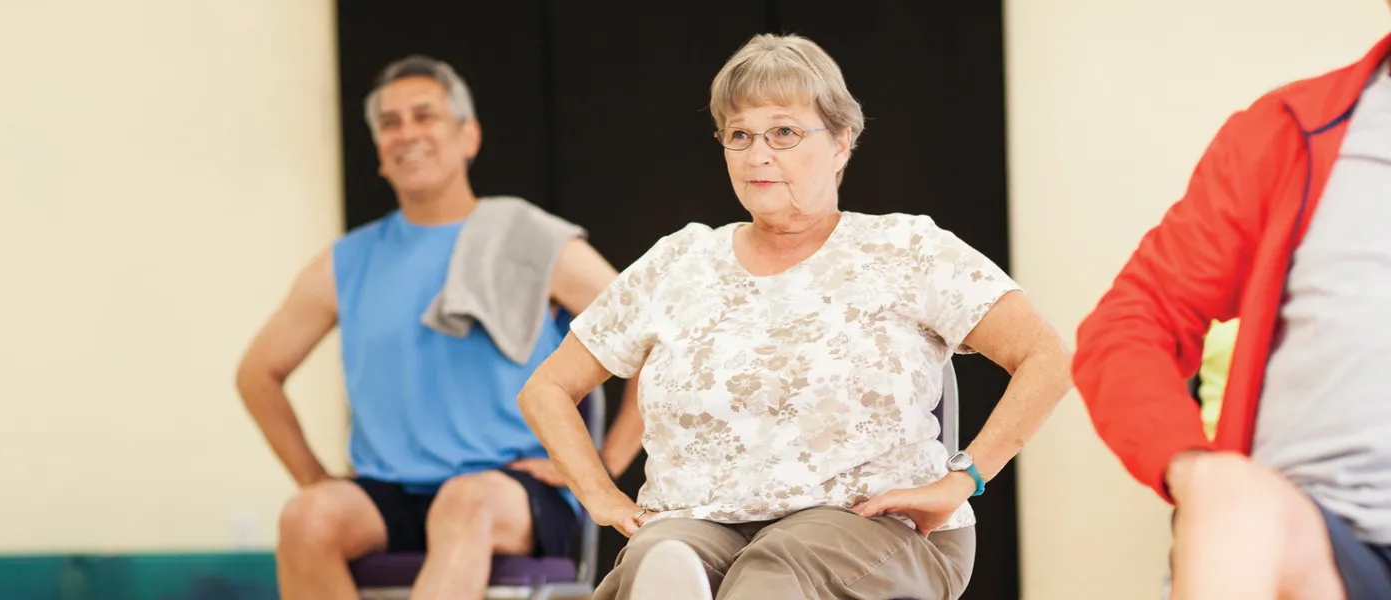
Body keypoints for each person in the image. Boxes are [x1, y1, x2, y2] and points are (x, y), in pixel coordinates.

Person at [516, 34, 1072, 600]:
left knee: (773, 572)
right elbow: (548, 389)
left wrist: (964, 478)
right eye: (740, 135)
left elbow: (1045, 358)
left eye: (783, 132)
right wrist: (600, 495)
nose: (758, 153)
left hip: (866, 524)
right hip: (704, 523)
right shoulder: (679, 261)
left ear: (840, 143)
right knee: (658, 558)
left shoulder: (907, 249)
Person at [235, 55, 644, 600]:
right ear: (379, 152)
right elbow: (257, 373)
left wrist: (604, 466)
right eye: (390, 122)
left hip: (510, 490)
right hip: (392, 492)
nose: (407, 133)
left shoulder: (535, 241)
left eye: (424, 116)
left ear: (467, 137)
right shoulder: (347, 262)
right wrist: (316, 479)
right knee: (306, 518)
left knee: (464, 501)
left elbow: (652, 334)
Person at [1073, 27, 1391, 600]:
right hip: (1322, 548)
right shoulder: (1291, 130)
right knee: (1230, 496)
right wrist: (1197, 472)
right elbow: (1130, 323)